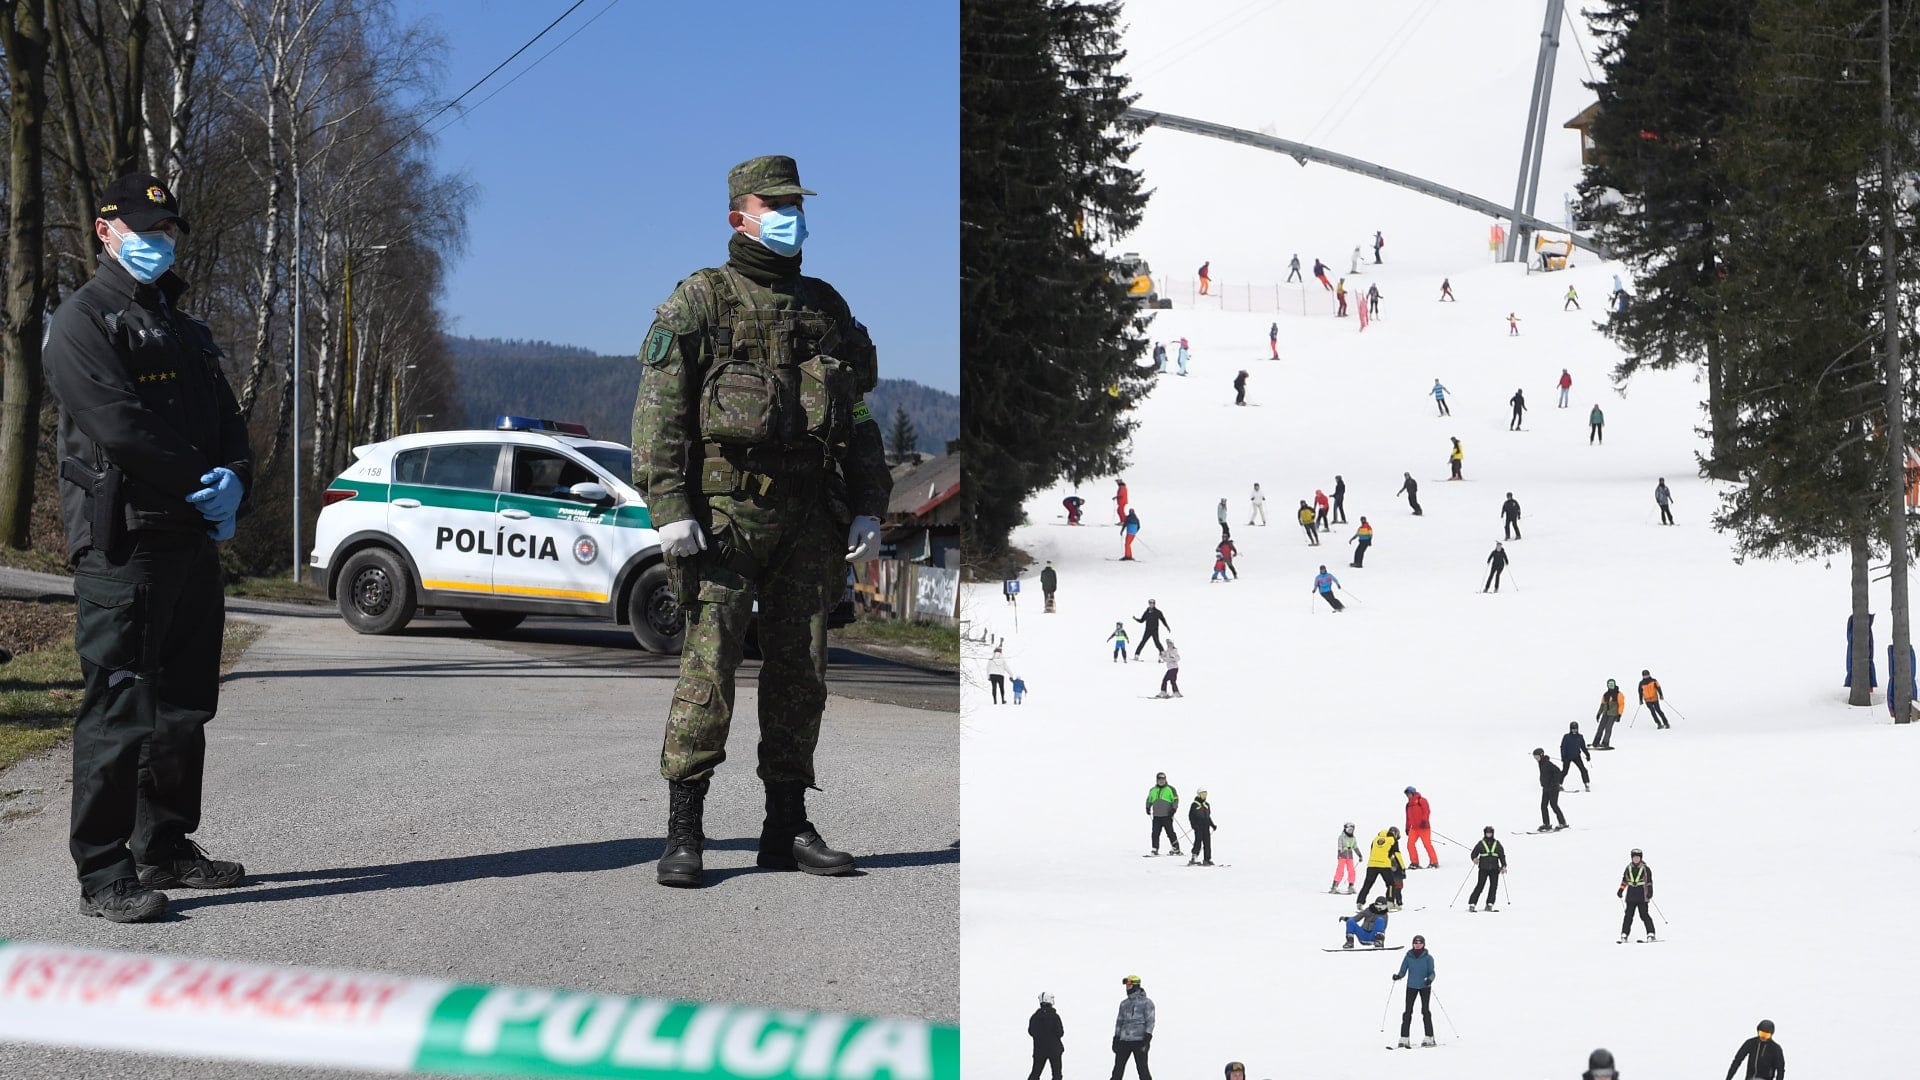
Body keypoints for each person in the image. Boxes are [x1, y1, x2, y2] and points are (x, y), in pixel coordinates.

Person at [637, 156, 891, 888]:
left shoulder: (824, 307)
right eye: (773, 203)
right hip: (723, 519)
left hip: (808, 519)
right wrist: (671, 508)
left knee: (799, 676)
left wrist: (870, 500)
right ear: (737, 216)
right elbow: (659, 413)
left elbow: (861, 414)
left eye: (795, 203)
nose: (789, 215)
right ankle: (685, 832)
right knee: (708, 672)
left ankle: (785, 827)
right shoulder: (700, 302)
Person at [46, 172, 255, 922]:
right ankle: (104, 873)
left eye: (166, 233)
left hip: (190, 541)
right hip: (123, 541)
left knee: (182, 706)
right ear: (105, 232)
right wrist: (203, 479)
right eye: (142, 231)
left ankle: (163, 845)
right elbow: (119, 423)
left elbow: (231, 422)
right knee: (118, 707)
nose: (157, 243)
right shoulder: (82, 322)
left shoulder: (186, 328)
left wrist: (235, 478)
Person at [1391, 935, 1437, 1048]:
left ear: (1423, 944)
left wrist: (1429, 980)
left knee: (1425, 1011)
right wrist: (1398, 976)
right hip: (1411, 986)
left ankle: (1429, 1036)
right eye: (1415, 942)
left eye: (1420, 943)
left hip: (1424, 987)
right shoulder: (1408, 956)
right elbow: (1403, 970)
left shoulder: (1428, 958)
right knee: (1407, 1012)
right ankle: (1404, 1037)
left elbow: (1432, 972)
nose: (1417, 944)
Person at [1110, 975, 1155, 1080]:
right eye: (1126, 986)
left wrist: (1147, 1038)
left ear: (1136, 986)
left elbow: (1150, 1021)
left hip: (1139, 1041)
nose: (1127, 988)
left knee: (1142, 1069)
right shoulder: (1124, 1004)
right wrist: (1116, 1038)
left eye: (1129, 985)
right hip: (1124, 1040)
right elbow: (1119, 1021)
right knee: (1117, 1070)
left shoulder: (1147, 1003)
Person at [1617, 848, 1655, 942]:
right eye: (1634, 857)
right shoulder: (1628, 868)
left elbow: (1649, 882)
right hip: (1631, 896)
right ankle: (1624, 934)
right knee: (1628, 916)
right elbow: (1624, 881)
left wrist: (1650, 892)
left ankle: (1651, 933)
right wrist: (1621, 890)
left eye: (1638, 857)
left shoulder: (1646, 869)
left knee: (1644, 915)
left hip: (1642, 896)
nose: (1636, 859)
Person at [1359, 826, 1403, 906]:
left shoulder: (1376, 839)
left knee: (1367, 884)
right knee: (1390, 884)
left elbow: (1372, 851)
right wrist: (1402, 867)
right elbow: (1397, 854)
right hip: (1384, 865)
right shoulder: (1393, 840)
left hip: (1371, 865)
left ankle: (1360, 902)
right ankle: (1390, 903)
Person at [1467, 826, 1506, 911]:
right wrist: (1474, 858)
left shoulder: (1497, 844)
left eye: (1490, 833)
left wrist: (1503, 865)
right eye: (1487, 833)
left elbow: (1502, 856)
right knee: (1480, 886)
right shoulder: (1481, 843)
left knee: (1493, 887)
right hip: (1483, 868)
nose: (1489, 834)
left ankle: (1490, 904)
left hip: (1495, 869)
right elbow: (1474, 853)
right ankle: (1472, 903)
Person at [1028, 992, 1064, 1080]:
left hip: (1039, 1050)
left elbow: (1031, 1032)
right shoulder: (1055, 1017)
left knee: (1035, 1073)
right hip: (1054, 1050)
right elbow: (1060, 1033)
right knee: (1056, 1075)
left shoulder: (1034, 1017)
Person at [1533, 748, 1567, 830]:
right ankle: (1546, 824)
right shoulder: (1541, 763)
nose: (1536, 759)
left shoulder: (1547, 763)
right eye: (1535, 757)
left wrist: (1555, 783)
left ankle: (1562, 823)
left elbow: (1558, 771)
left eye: (1537, 757)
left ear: (1541, 755)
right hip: (1546, 788)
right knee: (1543, 806)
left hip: (1553, 788)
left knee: (1554, 805)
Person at [1146, 774, 1180, 856]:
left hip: (1167, 815)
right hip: (1157, 816)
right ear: (1157, 780)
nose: (1162, 781)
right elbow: (1149, 800)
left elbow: (1175, 800)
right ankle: (1155, 848)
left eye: (1163, 779)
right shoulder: (1152, 790)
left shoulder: (1171, 789)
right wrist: (1147, 807)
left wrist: (1174, 809)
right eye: (1160, 779)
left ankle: (1176, 848)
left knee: (1170, 832)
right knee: (1155, 833)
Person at [1403, 787, 1437, 869]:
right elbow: (1408, 818)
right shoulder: (1408, 805)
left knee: (1427, 844)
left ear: (1413, 793)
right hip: (1414, 829)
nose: (1408, 796)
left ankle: (1434, 862)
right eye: (1407, 794)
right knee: (1410, 845)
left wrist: (1424, 821)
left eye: (1409, 794)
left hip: (1424, 827)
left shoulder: (1422, 801)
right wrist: (1407, 828)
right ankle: (1414, 862)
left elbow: (1427, 811)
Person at [1594, 679, 1625, 748]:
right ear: (1607, 685)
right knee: (1600, 727)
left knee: (1608, 728)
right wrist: (1599, 713)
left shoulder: (1619, 694)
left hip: (1613, 714)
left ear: (1614, 684)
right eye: (1609, 684)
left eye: (1612, 684)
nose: (1611, 686)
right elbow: (1602, 704)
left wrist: (1619, 714)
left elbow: (1621, 705)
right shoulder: (1606, 694)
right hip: (1605, 713)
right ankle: (1596, 742)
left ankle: (1605, 743)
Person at [1560, 721, 1591, 790]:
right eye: (1573, 729)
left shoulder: (1580, 737)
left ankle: (1586, 783)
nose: (1574, 730)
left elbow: (1583, 747)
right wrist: (1563, 756)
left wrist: (1587, 755)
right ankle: (1559, 784)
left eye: (1575, 729)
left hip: (1576, 756)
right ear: (1570, 729)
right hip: (1567, 757)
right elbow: (1563, 747)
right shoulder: (1566, 737)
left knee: (1583, 770)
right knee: (1565, 771)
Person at [1187, 789, 1214, 865]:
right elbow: (1191, 816)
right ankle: (1194, 857)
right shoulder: (1194, 805)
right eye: (1202, 794)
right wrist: (1193, 825)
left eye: (1205, 794)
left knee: (1207, 843)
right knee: (1198, 842)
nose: (1204, 796)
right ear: (1198, 795)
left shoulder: (1207, 805)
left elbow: (1208, 817)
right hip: (1198, 827)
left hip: (1206, 827)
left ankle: (1207, 859)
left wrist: (1212, 825)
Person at [1332, 822, 1361, 894]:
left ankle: (1351, 886)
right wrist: (1339, 853)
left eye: (1352, 830)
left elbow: (1355, 847)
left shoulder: (1353, 838)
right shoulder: (1341, 837)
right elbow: (1339, 846)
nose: (1350, 831)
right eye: (1349, 830)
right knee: (1340, 871)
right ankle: (1334, 886)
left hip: (1350, 857)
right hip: (1342, 856)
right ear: (1345, 829)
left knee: (1352, 871)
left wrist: (1360, 855)